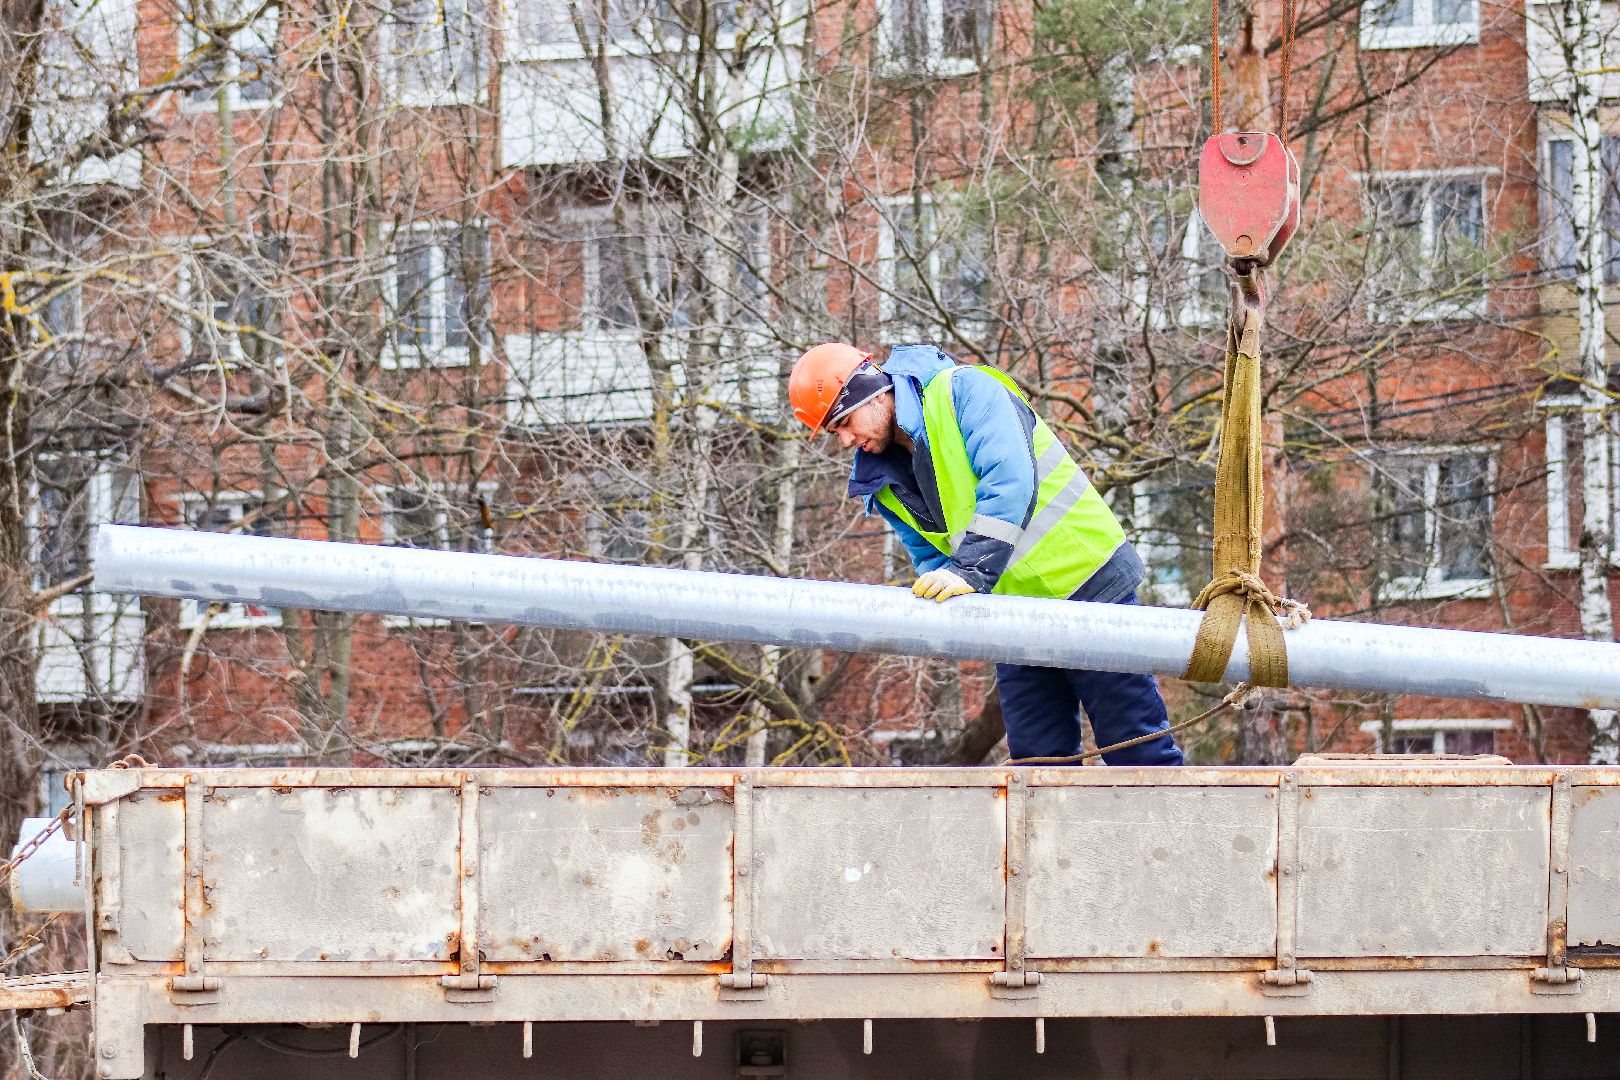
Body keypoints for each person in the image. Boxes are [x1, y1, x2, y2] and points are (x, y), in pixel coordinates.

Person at [788, 341, 1183, 766]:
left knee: (1136, 747)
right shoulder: (881, 482)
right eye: (834, 433)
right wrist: (956, 607)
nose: (845, 440)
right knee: (1036, 764)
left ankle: (1171, 834)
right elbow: (931, 560)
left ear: (873, 391)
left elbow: (1009, 481)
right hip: (1014, 613)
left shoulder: (965, 392)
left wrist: (970, 572)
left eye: (844, 422)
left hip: (1086, 582)